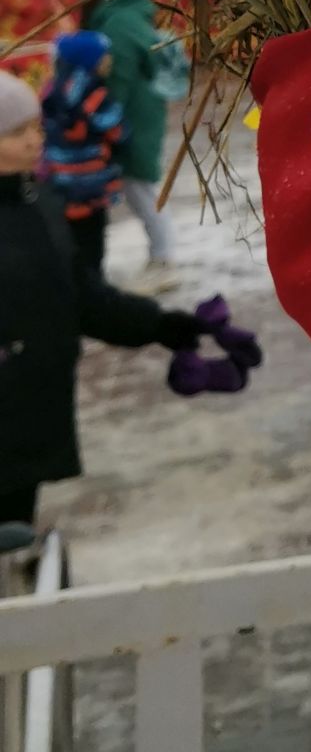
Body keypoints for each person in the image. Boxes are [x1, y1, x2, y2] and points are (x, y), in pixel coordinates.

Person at [0, 69, 211, 530]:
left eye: (36, 127)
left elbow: (81, 296)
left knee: (16, 533)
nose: (35, 141)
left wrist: (158, 324)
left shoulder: (39, 204)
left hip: (28, 416)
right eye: (16, 133)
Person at [72, 0, 175, 277]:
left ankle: (163, 255)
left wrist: (102, 119)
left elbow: (119, 79)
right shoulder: (120, 15)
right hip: (139, 110)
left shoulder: (116, 23)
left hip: (132, 116)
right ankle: (161, 252)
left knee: (138, 184)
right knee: (139, 185)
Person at [40, 30, 124, 273]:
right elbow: (117, 130)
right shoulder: (94, 93)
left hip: (61, 178)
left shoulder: (51, 90)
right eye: (105, 56)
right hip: (91, 179)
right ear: (90, 60)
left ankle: (75, 280)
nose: (110, 61)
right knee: (93, 241)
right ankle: (92, 284)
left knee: (71, 239)